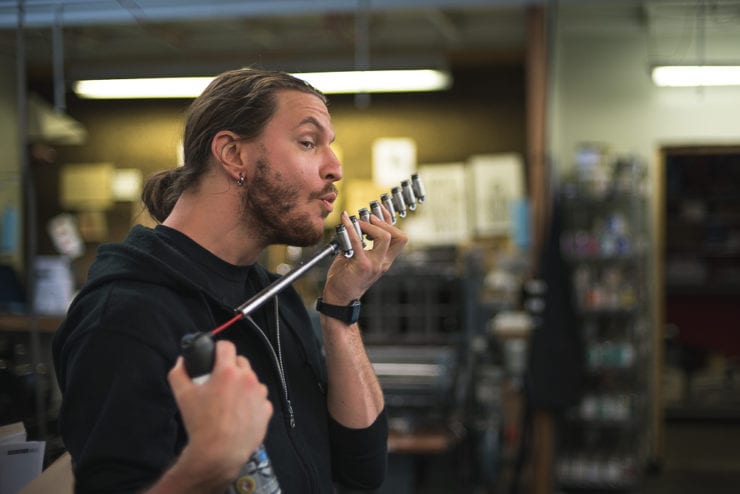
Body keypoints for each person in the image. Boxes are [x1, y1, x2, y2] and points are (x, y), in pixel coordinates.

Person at [52, 68, 408, 493]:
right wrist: (209, 462)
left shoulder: (272, 297)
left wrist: (340, 310)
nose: (335, 168)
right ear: (233, 154)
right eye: (309, 142)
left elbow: (362, 470)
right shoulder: (124, 317)